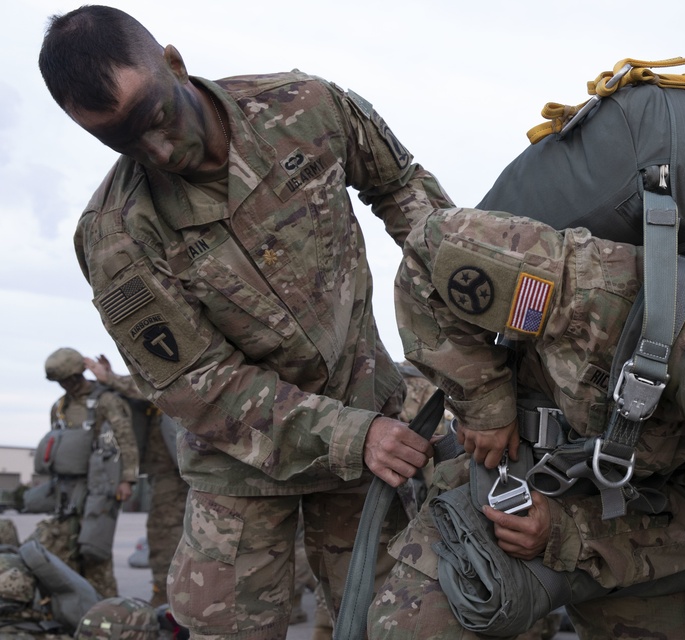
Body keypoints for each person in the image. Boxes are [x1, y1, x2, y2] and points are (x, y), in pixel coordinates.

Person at [38, 6, 452, 638]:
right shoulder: (117, 237)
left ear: (174, 63)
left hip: (371, 423)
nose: (157, 151)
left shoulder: (304, 107)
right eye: (122, 142)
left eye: (155, 118)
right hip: (242, 466)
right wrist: (349, 435)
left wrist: (462, 305)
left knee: (386, 623)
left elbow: (401, 188)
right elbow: (200, 386)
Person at [367, 208, 685, 639]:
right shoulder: (591, 288)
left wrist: (568, 534)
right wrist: (483, 401)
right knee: (412, 629)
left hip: (631, 524)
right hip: (504, 471)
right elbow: (429, 252)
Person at [30, 347, 140, 599]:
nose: (66, 385)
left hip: (100, 484)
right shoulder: (59, 407)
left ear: (77, 374)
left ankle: (107, 611)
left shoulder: (106, 400)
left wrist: (127, 479)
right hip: (67, 488)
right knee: (63, 549)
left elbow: (125, 439)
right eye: (60, 381)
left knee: (94, 550)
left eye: (69, 379)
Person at [83, 355, 185, 608]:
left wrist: (110, 378)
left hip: (174, 475)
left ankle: (166, 597)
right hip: (167, 472)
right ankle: (169, 594)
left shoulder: (175, 376)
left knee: (162, 535)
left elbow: (155, 389)